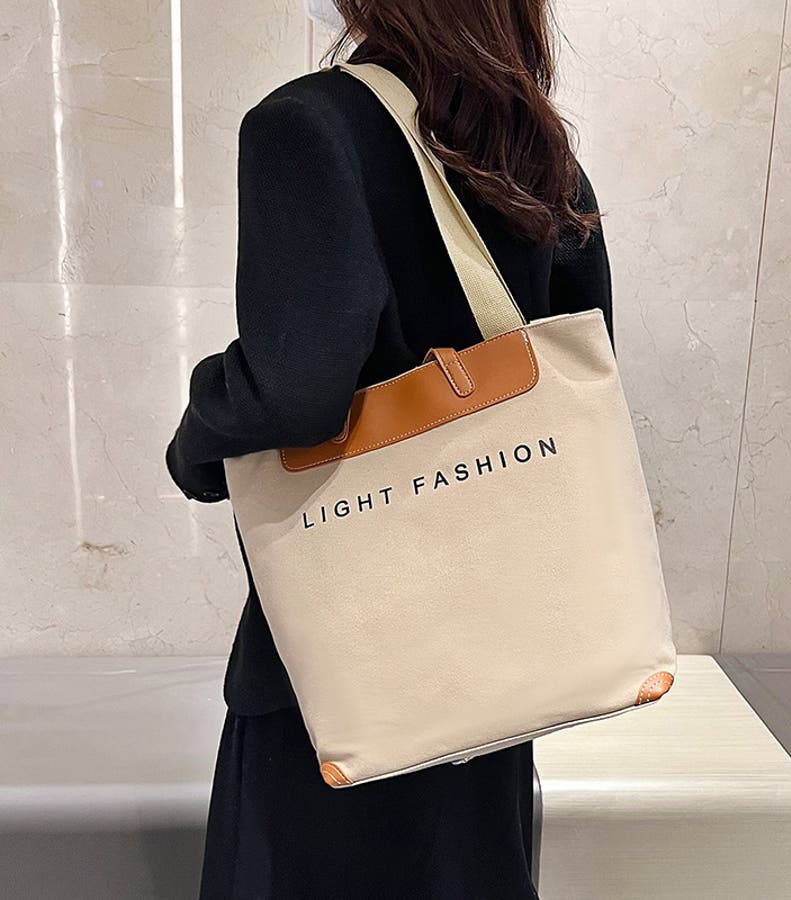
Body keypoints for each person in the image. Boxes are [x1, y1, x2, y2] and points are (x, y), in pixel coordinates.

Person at [165, 1, 613, 897]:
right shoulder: (532, 147)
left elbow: (296, 386)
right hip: (499, 672)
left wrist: (199, 431)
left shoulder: (308, 126)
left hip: (343, 670)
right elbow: (584, 373)